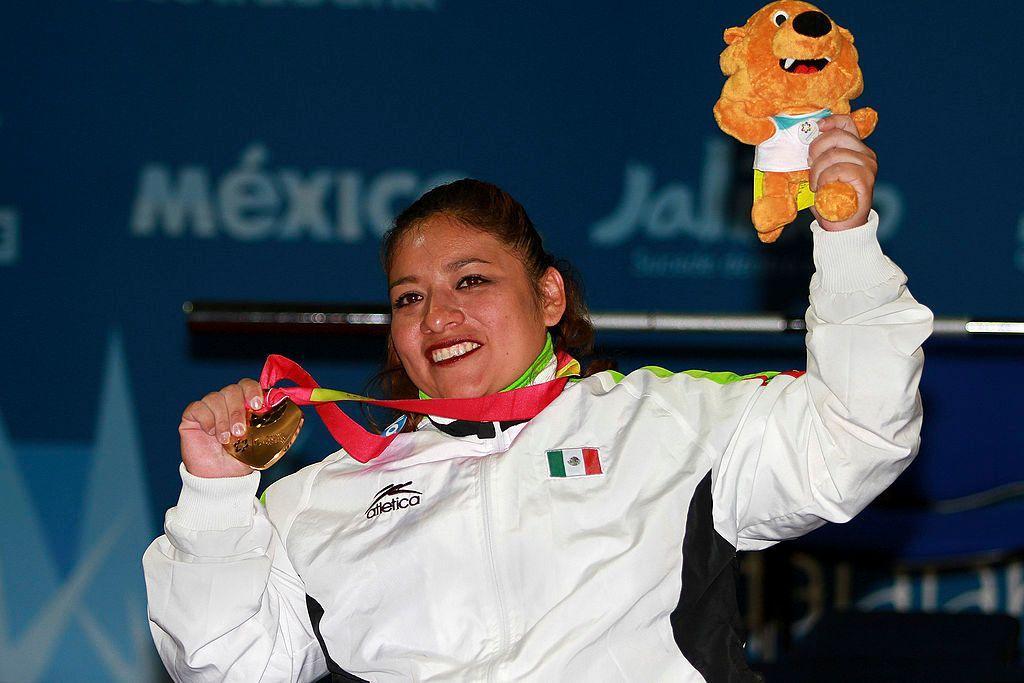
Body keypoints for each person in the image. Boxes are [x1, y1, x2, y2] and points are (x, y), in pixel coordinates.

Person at [143, 115, 933, 682]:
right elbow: (226, 665)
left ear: (549, 295)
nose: (438, 317)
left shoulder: (668, 423)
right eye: (410, 298)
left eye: (471, 281)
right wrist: (214, 492)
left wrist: (846, 234)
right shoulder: (320, 498)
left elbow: (855, 434)